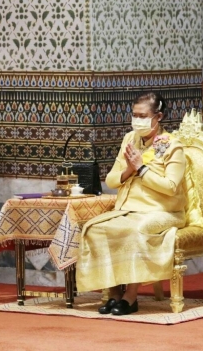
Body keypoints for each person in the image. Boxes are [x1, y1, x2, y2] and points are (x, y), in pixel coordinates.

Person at [76, 92, 186, 316]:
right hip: (127, 209)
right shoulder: (129, 139)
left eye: (143, 115)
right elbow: (111, 180)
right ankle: (114, 294)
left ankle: (131, 297)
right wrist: (128, 169)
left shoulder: (172, 146)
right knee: (97, 229)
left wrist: (142, 169)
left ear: (159, 116)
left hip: (163, 210)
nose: (137, 120)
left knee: (135, 230)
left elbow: (171, 186)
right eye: (134, 115)